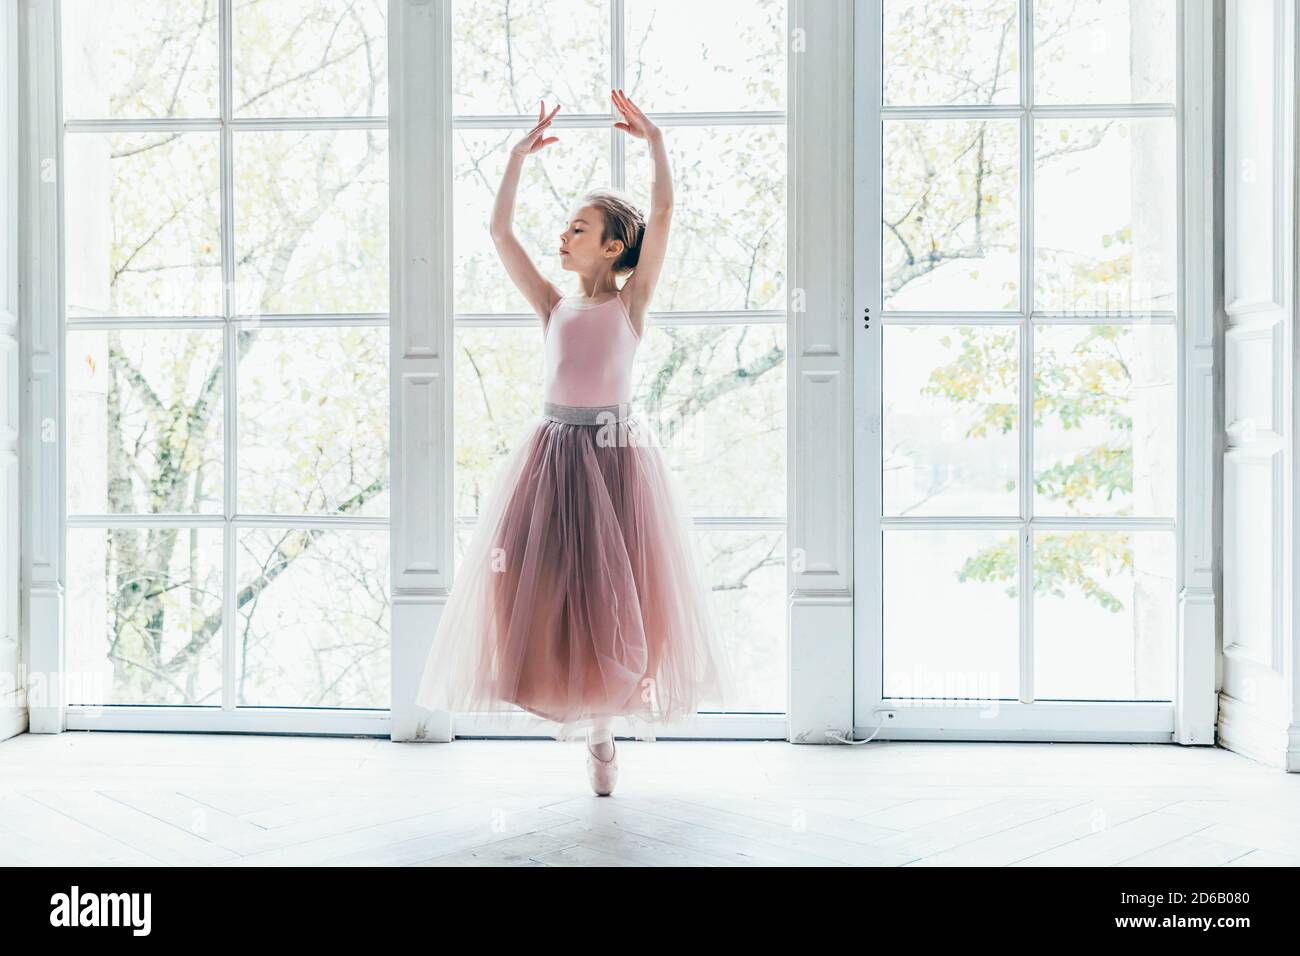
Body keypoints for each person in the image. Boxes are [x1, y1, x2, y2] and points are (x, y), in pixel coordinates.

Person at [415, 89, 733, 796]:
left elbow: (668, 214)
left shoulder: (630, 303)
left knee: (617, 591)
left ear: (614, 246)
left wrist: (655, 143)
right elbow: (499, 234)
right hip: (553, 454)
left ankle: (606, 730)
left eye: (578, 229)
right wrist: (514, 158)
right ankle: (582, 717)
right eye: (565, 227)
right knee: (552, 587)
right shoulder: (553, 305)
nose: (562, 237)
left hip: (616, 456)